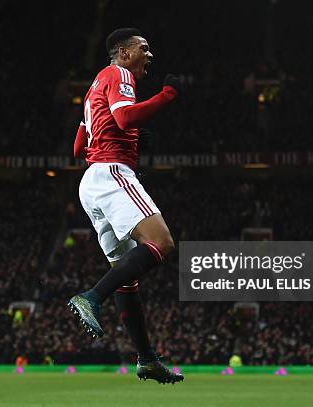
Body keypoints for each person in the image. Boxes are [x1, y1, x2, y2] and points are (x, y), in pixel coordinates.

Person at [68, 27, 184, 384]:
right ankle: (91, 297)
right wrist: (167, 95)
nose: (149, 56)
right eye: (143, 49)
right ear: (123, 52)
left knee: (127, 278)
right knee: (162, 243)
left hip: (91, 182)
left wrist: (131, 138)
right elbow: (123, 118)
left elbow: (78, 148)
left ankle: (146, 358)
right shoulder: (119, 74)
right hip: (112, 174)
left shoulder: (92, 89)